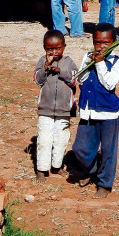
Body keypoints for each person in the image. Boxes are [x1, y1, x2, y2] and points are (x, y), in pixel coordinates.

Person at [67, 26, 119, 195]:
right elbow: (81, 78)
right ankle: (91, 169)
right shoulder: (88, 56)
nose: (101, 46)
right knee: (79, 149)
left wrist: (99, 64)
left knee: (108, 151)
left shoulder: (115, 61)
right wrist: (88, 61)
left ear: (114, 43)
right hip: (88, 110)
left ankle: (105, 183)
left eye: (106, 42)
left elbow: (109, 84)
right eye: (97, 42)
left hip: (108, 114)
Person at [32, 29, 79, 181]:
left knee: (61, 140)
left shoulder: (68, 61)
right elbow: (38, 80)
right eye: (49, 49)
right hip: (45, 109)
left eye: (57, 48)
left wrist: (60, 71)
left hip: (64, 109)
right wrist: (46, 65)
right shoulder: (42, 61)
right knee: (44, 140)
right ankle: (41, 168)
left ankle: (57, 166)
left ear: (64, 46)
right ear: (44, 48)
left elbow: (74, 79)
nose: (54, 52)